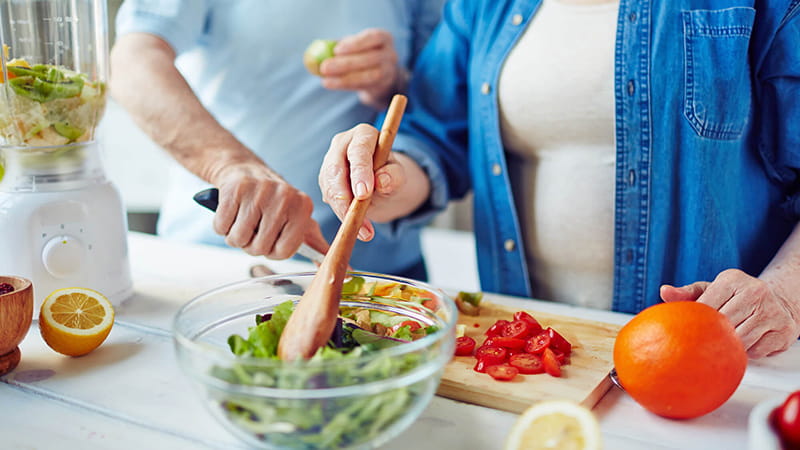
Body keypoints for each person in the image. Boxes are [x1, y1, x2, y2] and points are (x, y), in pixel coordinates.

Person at [318, 0, 800, 358]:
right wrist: (382, 178)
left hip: (716, 360)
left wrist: (784, 294)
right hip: (535, 350)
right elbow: (434, 137)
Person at [109, 1, 443, 280]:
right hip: (220, 256)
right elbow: (133, 61)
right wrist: (229, 165)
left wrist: (392, 80)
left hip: (380, 270)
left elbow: (444, 96)